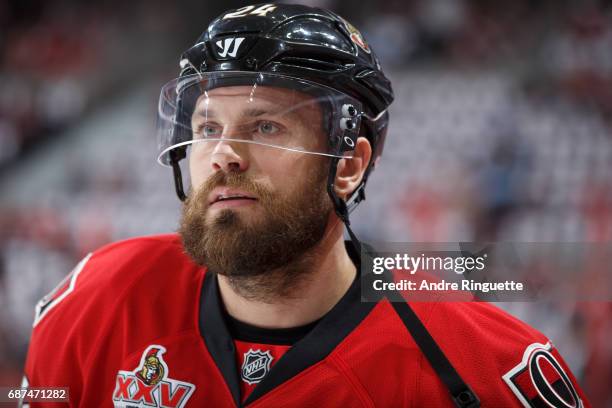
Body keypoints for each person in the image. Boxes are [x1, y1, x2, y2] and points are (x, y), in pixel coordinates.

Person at [22, 4, 590, 407]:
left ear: (349, 164)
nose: (223, 155)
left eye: (265, 126)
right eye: (207, 127)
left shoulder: (485, 368)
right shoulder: (96, 304)